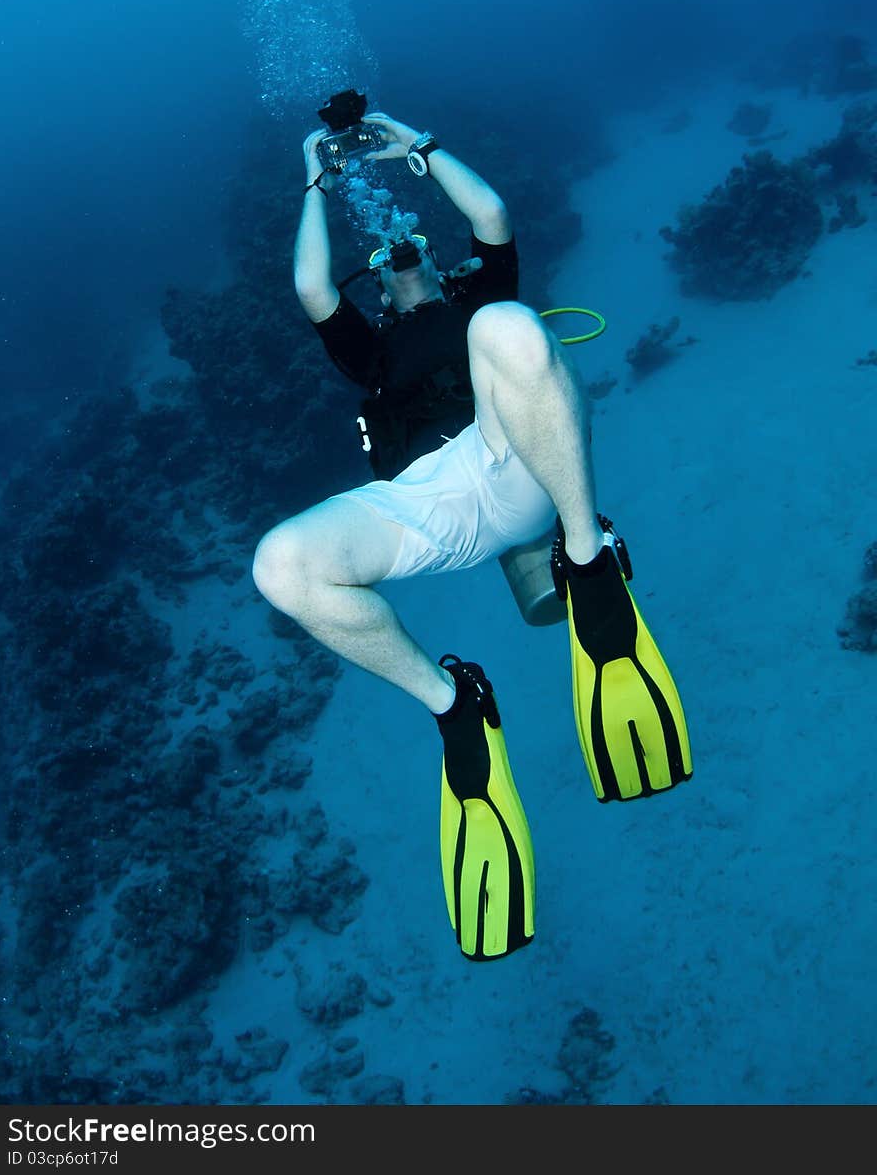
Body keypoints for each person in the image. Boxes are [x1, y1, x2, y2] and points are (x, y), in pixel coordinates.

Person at [252, 108, 692, 961]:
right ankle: (456, 708)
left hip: (524, 464)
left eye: (408, 249)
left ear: (437, 263)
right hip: (427, 509)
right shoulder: (370, 353)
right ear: (377, 290)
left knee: (509, 325)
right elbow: (313, 289)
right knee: (280, 564)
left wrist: (407, 141)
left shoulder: (476, 299)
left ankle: (586, 560)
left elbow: (489, 216)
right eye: (381, 262)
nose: (397, 261)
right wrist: (313, 172)